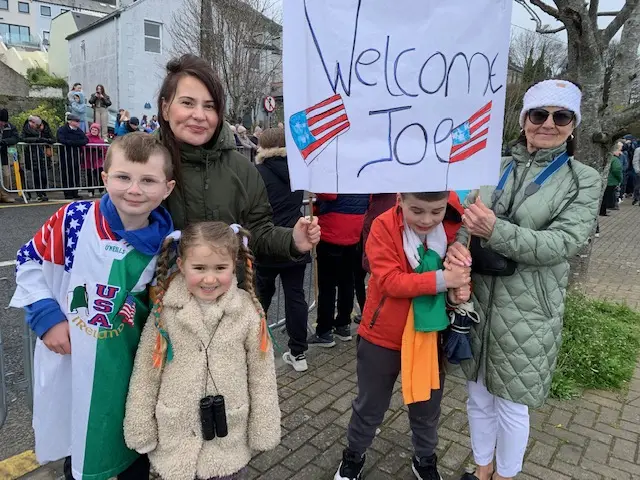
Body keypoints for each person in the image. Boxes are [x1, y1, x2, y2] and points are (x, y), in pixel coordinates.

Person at [444, 80, 600, 480]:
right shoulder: (494, 166)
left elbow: (561, 243)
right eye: (538, 114)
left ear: (572, 124)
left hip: (529, 308)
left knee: (512, 404)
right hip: (478, 301)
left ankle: (505, 476)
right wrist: (458, 250)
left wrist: (495, 230)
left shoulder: (583, 179)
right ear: (524, 119)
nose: (548, 123)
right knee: (478, 395)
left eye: (560, 116)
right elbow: (468, 224)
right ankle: (482, 470)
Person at [10, 132, 176, 480]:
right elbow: (29, 261)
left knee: (134, 449)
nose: (134, 189)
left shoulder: (167, 245)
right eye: (123, 177)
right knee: (82, 448)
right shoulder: (73, 219)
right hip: (77, 364)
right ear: (104, 178)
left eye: (148, 180)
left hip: (131, 370)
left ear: (168, 188)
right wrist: (46, 318)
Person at [124, 221, 280, 480]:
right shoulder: (164, 312)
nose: (210, 278)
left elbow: (262, 375)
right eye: (199, 268)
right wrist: (140, 427)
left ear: (235, 265)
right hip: (176, 441)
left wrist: (264, 427)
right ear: (182, 265)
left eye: (220, 268)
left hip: (228, 442)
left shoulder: (248, 313)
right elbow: (146, 373)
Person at [334, 191, 470, 480]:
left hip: (429, 334)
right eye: (417, 210)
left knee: (427, 406)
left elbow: (467, 239)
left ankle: (424, 459)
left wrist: (461, 274)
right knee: (370, 405)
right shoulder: (383, 226)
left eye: (436, 211)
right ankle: (354, 455)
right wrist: (443, 280)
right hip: (382, 335)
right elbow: (389, 282)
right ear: (400, 200)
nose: (427, 220)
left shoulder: (453, 223)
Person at [156, 54, 320, 266]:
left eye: (209, 106)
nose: (199, 115)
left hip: (229, 294)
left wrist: (291, 241)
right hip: (154, 296)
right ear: (165, 108)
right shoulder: (141, 163)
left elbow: (257, 235)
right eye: (187, 103)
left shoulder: (243, 169)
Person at [254, 128, 311, 372]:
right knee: (295, 296)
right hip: (294, 238)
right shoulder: (298, 172)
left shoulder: (256, 173)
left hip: (267, 241)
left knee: (259, 298)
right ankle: (299, 353)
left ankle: (255, 348)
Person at [308, 193, 369, 347]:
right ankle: (343, 324)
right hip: (354, 229)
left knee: (327, 285)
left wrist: (315, 190)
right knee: (347, 280)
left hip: (333, 229)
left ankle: (324, 331)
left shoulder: (337, 170)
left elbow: (330, 193)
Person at [22, 115, 55, 202]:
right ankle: (39, 193)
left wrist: (45, 140)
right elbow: (23, 138)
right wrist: (37, 140)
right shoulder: (26, 128)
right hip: (32, 154)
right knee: (36, 175)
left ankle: (43, 192)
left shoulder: (45, 127)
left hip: (43, 155)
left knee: (43, 175)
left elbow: (53, 139)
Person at [57, 113, 89, 200]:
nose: (78, 123)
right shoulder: (62, 129)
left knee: (76, 174)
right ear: (70, 121)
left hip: (76, 155)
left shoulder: (78, 130)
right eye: (76, 121)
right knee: (67, 174)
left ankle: (75, 192)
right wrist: (75, 143)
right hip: (65, 155)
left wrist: (72, 143)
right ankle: (67, 193)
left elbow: (85, 140)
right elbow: (62, 140)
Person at [0, 108, 20, 203]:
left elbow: (16, 138)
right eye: (1, 121)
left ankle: (4, 195)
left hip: (4, 155)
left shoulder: (11, 127)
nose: (2, 123)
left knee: (6, 175)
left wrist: (4, 142)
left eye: (4, 121)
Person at [84, 123, 108, 197]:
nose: (94, 131)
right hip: (88, 160)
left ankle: (101, 190)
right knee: (89, 176)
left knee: (99, 176)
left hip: (98, 161)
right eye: (93, 129)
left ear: (98, 131)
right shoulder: (86, 138)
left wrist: (104, 159)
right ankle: (90, 191)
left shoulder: (100, 140)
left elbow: (104, 150)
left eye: (96, 130)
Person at [599, 143, 623, 216]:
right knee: (606, 197)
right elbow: (617, 170)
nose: (620, 153)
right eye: (619, 150)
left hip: (605, 180)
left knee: (603, 196)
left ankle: (603, 210)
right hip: (611, 181)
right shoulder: (615, 160)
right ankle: (603, 211)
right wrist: (620, 179)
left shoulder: (607, 157)